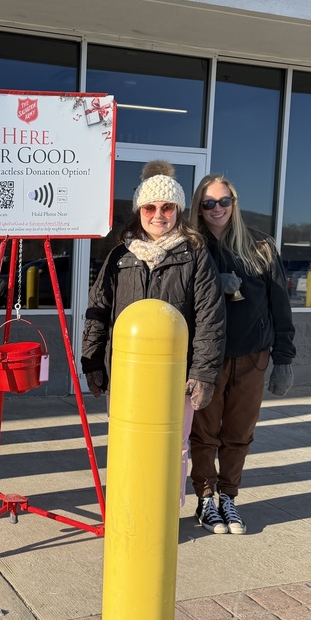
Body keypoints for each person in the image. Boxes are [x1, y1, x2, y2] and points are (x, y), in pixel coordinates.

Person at [81, 161, 225, 505]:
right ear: (139, 210)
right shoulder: (120, 256)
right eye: (150, 207)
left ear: (178, 211)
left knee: (174, 444)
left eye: (167, 207)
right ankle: (126, 504)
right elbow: (97, 311)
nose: (158, 214)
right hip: (126, 371)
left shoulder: (195, 256)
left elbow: (210, 318)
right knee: (126, 439)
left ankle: (163, 511)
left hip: (175, 374)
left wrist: (203, 373)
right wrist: (92, 363)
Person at [188, 174, 295, 534]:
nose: (217, 209)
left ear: (235, 202)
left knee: (239, 432)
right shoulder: (190, 247)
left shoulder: (260, 245)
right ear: (198, 208)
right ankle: (205, 499)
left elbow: (279, 303)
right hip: (206, 358)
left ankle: (228, 496)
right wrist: (212, 285)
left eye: (224, 201)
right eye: (208, 203)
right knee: (204, 433)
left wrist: (283, 357)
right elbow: (175, 297)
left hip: (252, 356)